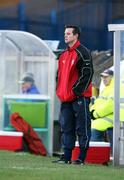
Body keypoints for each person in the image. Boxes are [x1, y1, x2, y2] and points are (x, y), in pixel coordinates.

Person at [53, 25, 94, 165]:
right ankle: (66, 157)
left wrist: (75, 92)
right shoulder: (63, 54)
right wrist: (60, 91)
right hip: (65, 99)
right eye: (65, 33)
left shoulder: (83, 52)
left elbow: (87, 75)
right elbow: (58, 76)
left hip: (79, 98)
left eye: (68, 33)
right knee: (66, 128)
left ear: (76, 36)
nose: (65, 36)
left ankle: (81, 158)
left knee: (82, 127)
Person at [90, 69, 114, 148]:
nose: (104, 79)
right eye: (102, 77)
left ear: (112, 77)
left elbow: (110, 106)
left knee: (94, 127)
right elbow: (97, 103)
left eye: (106, 77)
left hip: (109, 120)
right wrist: (91, 112)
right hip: (102, 118)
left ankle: (96, 155)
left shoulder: (114, 88)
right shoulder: (106, 88)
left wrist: (95, 114)